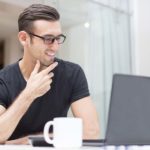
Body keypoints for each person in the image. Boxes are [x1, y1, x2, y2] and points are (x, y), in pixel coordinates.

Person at [0, 4, 100, 144]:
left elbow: (91, 132)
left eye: (58, 38)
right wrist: (28, 95)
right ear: (24, 38)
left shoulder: (72, 74)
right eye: (48, 39)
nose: (55, 46)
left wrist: (27, 141)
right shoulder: (3, 79)